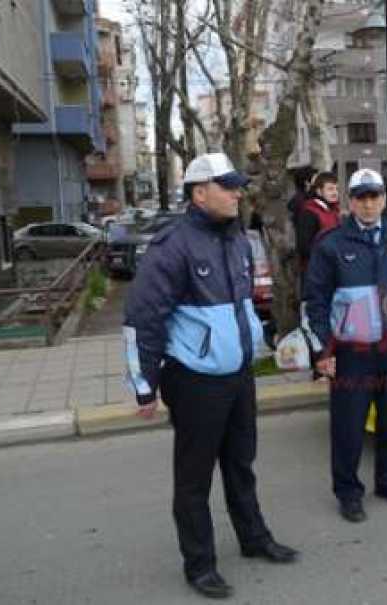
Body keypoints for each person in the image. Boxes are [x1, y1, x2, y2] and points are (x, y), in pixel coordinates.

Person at [124, 152, 298, 600]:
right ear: (200, 192)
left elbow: (243, 307)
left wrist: (266, 342)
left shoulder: (238, 238)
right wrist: (143, 385)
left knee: (242, 463)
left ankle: (254, 539)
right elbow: (143, 319)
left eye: (239, 185)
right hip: (194, 380)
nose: (239, 192)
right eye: (229, 186)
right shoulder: (173, 245)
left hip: (239, 374)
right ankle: (199, 565)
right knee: (194, 478)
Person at [303, 168, 387, 524]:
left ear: (385, 199)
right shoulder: (331, 244)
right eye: (361, 196)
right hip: (350, 354)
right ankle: (348, 492)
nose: (368, 203)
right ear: (350, 201)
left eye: (374, 196)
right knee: (349, 426)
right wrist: (321, 353)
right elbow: (314, 301)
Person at [296, 172, 342, 271]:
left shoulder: (334, 211)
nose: (335, 193)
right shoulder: (309, 213)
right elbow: (304, 247)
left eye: (336, 189)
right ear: (319, 191)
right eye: (330, 189)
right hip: (316, 270)